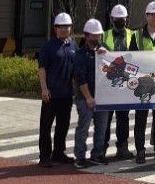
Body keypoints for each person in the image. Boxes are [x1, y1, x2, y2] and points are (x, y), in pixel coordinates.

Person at [129, 1, 155, 163]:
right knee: (141, 118)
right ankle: (140, 150)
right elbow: (131, 59)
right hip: (143, 83)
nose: (154, 17)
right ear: (146, 16)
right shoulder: (137, 36)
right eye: (151, 14)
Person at [38, 12, 76, 167]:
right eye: (60, 27)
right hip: (51, 94)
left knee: (63, 126)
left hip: (66, 95)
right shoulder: (48, 46)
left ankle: (58, 153)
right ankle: (44, 156)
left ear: (70, 28)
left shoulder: (73, 45)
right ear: (55, 29)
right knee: (45, 127)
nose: (63, 29)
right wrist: (44, 89)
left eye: (66, 26)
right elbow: (42, 69)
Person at [74, 19, 110, 168]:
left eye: (98, 35)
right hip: (85, 99)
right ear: (86, 35)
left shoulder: (105, 49)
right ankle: (80, 157)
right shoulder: (80, 54)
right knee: (83, 128)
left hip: (102, 98)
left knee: (101, 129)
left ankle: (97, 154)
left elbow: (116, 66)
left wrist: (106, 55)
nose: (96, 38)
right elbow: (80, 78)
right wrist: (88, 97)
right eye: (93, 35)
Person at [103, 4, 134, 160]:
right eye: (117, 19)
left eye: (122, 19)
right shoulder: (104, 36)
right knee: (106, 119)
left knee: (123, 118)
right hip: (107, 85)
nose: (120, 21)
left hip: (124, 85)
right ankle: (101, 149)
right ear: (111, 19)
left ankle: (122, 148)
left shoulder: (133, 35)